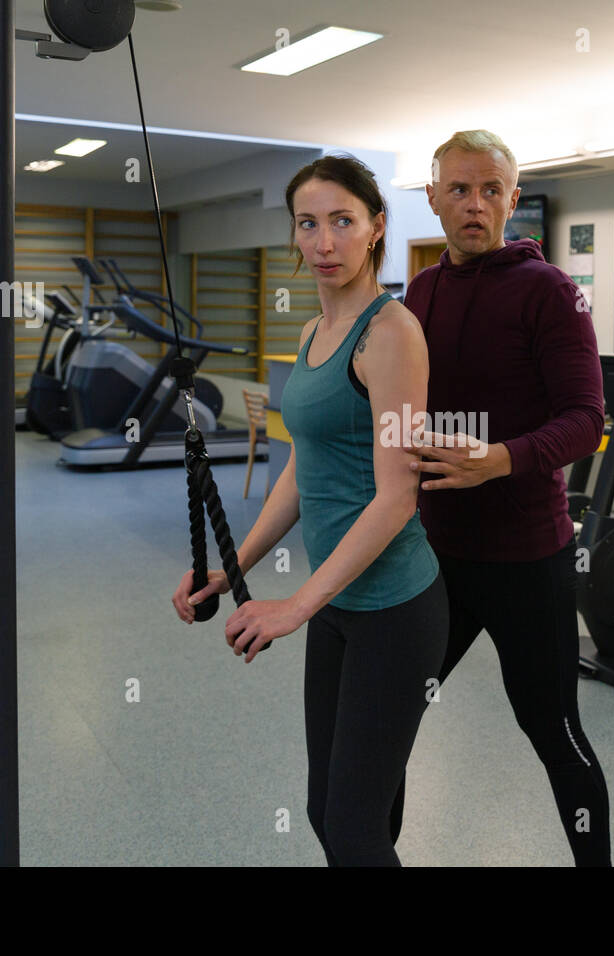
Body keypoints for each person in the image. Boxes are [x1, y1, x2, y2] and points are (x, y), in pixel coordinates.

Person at [171, 155, 448, 867]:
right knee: (333, 811)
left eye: (342, 222)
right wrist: (233, 572)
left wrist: (292, 606)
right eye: (308, 224)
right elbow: (304, 469)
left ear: (376, 228)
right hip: (339, 606)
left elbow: (396, 496)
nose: (325, 242)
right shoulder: (310, 334)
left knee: (352, 830)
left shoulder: (391, 335)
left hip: (394, 611)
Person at [399, 130, 611, 866]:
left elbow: (587, 421)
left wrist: (502, 460)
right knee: (390, 722)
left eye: (492, 190)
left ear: (513, 201)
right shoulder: (420, 293)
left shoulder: (550, 292)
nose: (475, 205)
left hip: (527, 560)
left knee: (554, 732)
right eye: (459, 189)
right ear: (432, 197)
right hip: (434, 558)